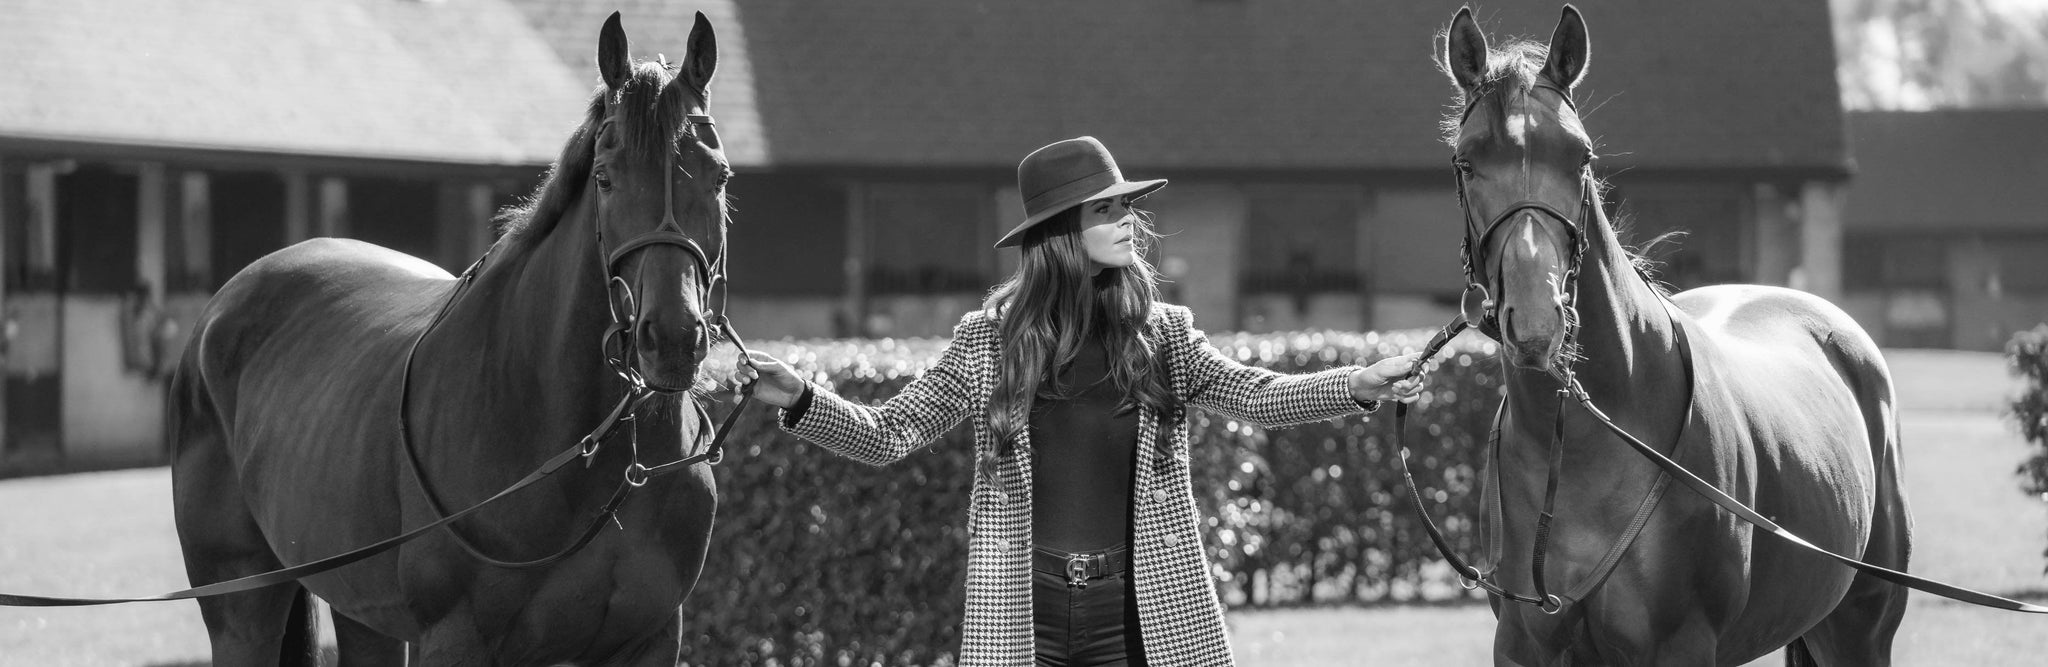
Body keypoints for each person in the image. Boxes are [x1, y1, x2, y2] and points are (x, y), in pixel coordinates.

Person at [738, 136, 1426, 666]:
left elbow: (1258, 392)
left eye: (1127, 205)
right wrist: (801, 397)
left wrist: (1359, 382)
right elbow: (890, 432)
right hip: (1022, 612)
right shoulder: (989, 343)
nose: (1128, 219)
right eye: (1107, 208)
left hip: (1136, 608)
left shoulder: (1162, 333)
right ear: (1064, 230)